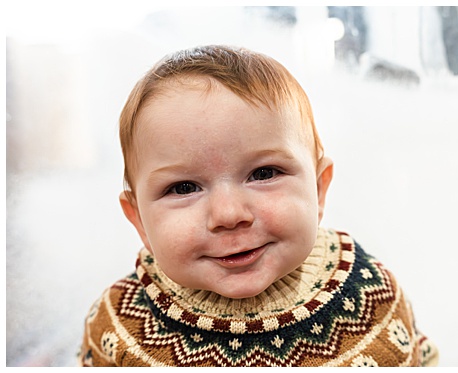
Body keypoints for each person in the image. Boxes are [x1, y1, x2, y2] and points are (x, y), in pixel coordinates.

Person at [80, 45, 438, 367]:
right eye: (184, 187)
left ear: (318, 188)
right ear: (139, 220)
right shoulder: (119, 322)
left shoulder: (371, 295)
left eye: (264, 173)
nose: (229, 215)